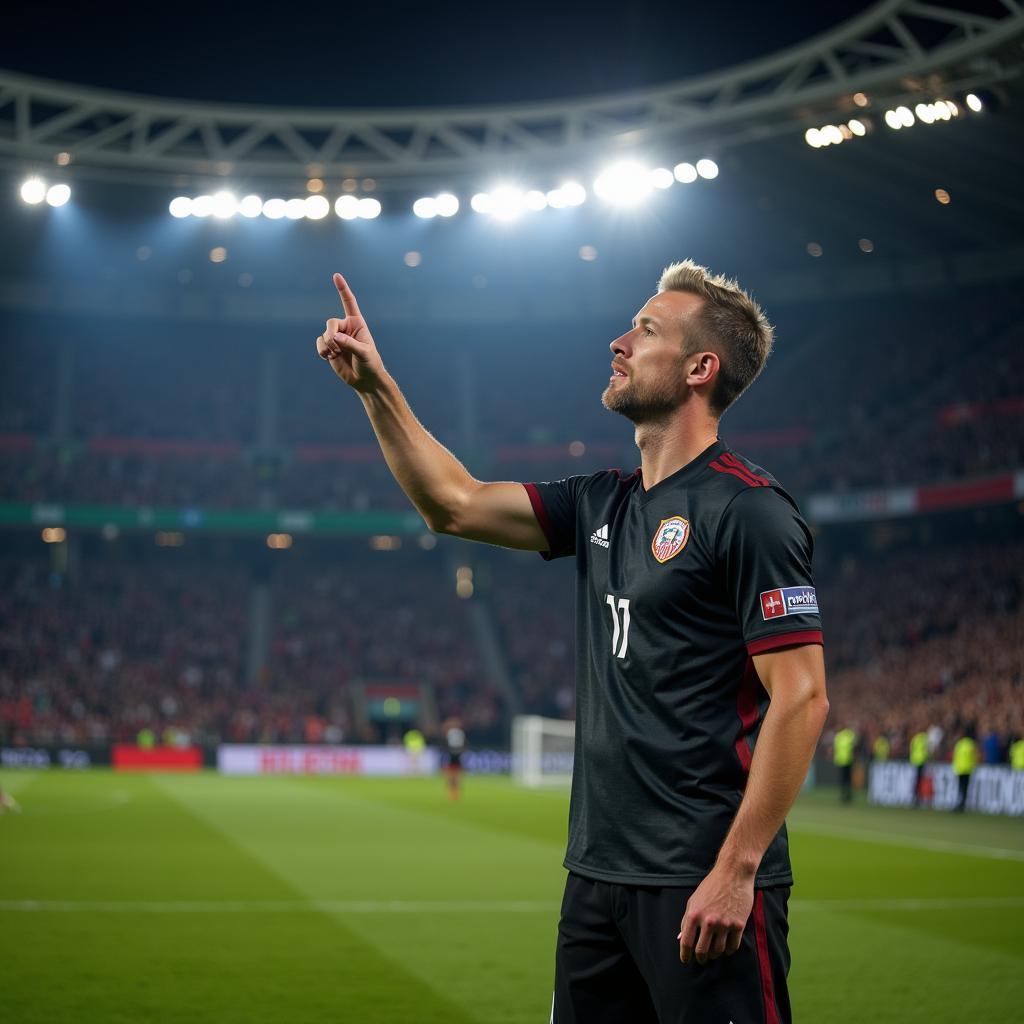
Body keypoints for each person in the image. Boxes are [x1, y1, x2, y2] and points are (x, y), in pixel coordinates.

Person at [315, 261, 829, 1024]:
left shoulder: (748, 512)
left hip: (700, 880)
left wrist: (737, 869)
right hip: (596, 879)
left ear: (699, 368)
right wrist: (375, 387)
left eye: (646, 330)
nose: (619, 342)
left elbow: (804, 695)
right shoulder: (603, 500)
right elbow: (453, 503)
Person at [952, 727, 977, 813]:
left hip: (963, 769)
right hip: (964, 769)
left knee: (962, 788)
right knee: (963, 788)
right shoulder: (967, 744)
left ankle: (961, 805)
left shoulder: (963, 743)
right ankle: (961, 804)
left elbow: (973, 755)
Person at [833, 726, 856, 804]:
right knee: (848, 779)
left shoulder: (838, 736)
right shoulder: (849, 735)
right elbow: (854, 745)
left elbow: (836, 749)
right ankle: (848, 795)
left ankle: (844, 795)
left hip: (841, 760)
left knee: (843, 779)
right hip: (848, 760)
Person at [909, 728, 929, 806]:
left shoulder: (915, 739)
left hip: (916, 761)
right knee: (919, 781)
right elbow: (926, 751)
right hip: (920, 762)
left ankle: (916, 798)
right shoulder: (924, 739)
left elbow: (911, 749)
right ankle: (917, 798)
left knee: (917, 780)